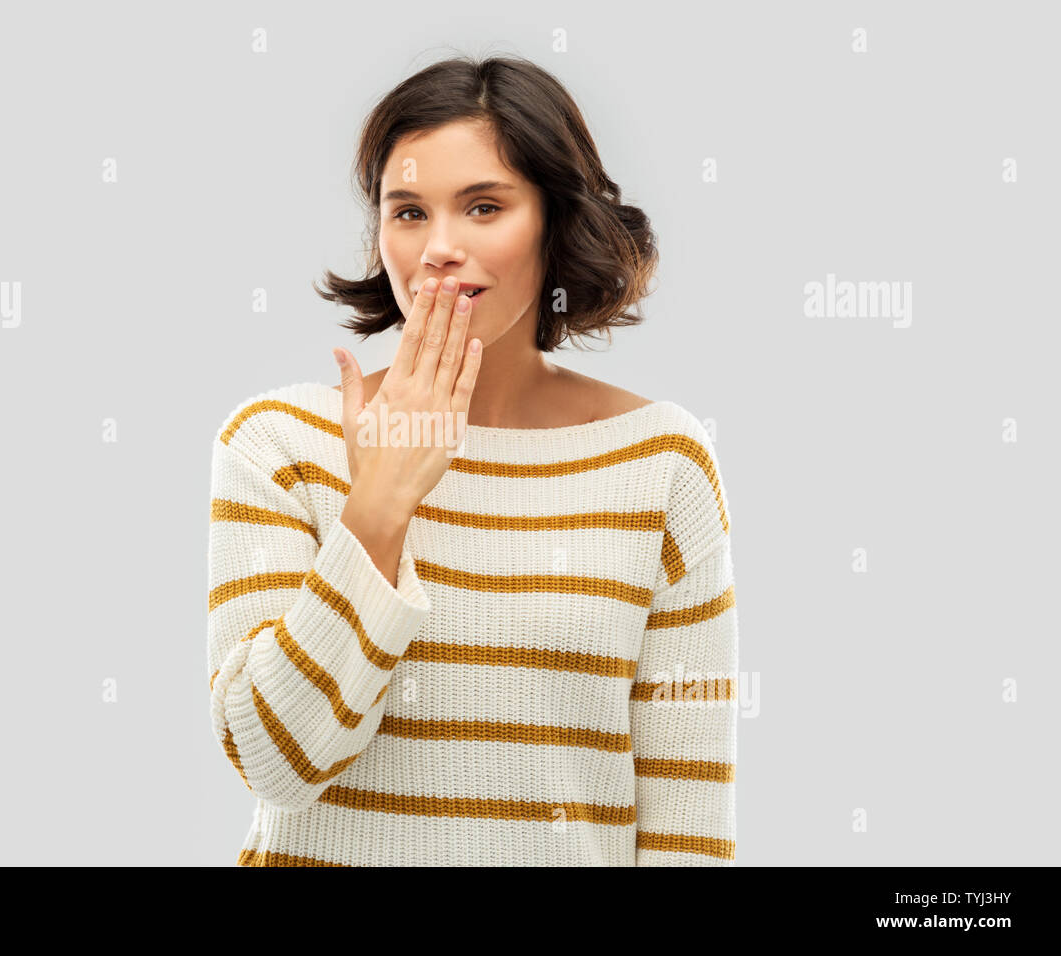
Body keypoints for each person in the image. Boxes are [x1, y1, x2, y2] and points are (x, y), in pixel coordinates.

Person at [206, 54, 738, 866]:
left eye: (484, 206)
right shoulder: (277, 443)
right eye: (409, 211)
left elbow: (687, 822)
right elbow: (276, 764)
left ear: (557, 220)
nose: (439, 249)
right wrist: (379, 503)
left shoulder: (662, 463)